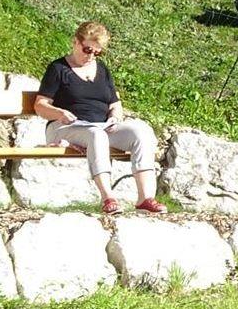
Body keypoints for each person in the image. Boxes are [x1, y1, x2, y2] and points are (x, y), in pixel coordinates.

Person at [35, 20, 161, 215]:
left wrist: (115, 118)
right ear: (75, 42)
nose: (91, 56)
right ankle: (108, 198)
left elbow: (115, 104)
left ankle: (145, 198)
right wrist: (60, 113)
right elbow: (40, 105)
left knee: (141, 131)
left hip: (100, 126)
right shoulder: (58, 68)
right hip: (65, 127)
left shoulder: (101, 69)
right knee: (96, 135)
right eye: (87, 50)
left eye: (97, 52)